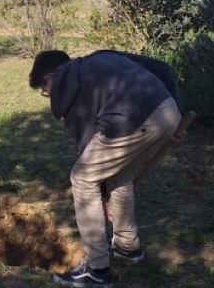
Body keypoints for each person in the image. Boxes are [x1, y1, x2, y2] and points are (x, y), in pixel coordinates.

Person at [28, 49, 184, 287]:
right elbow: (162, 68)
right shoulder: (101, 57)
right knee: (120, 175)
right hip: (167, 109)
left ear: (49, 79)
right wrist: (177, 120)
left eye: (43, 90)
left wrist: (99, 200)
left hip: (132, 121)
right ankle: (127, 246)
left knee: (82, 178)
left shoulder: (70, 90)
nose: (47, 95)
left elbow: (87, 149)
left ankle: (97, 270)